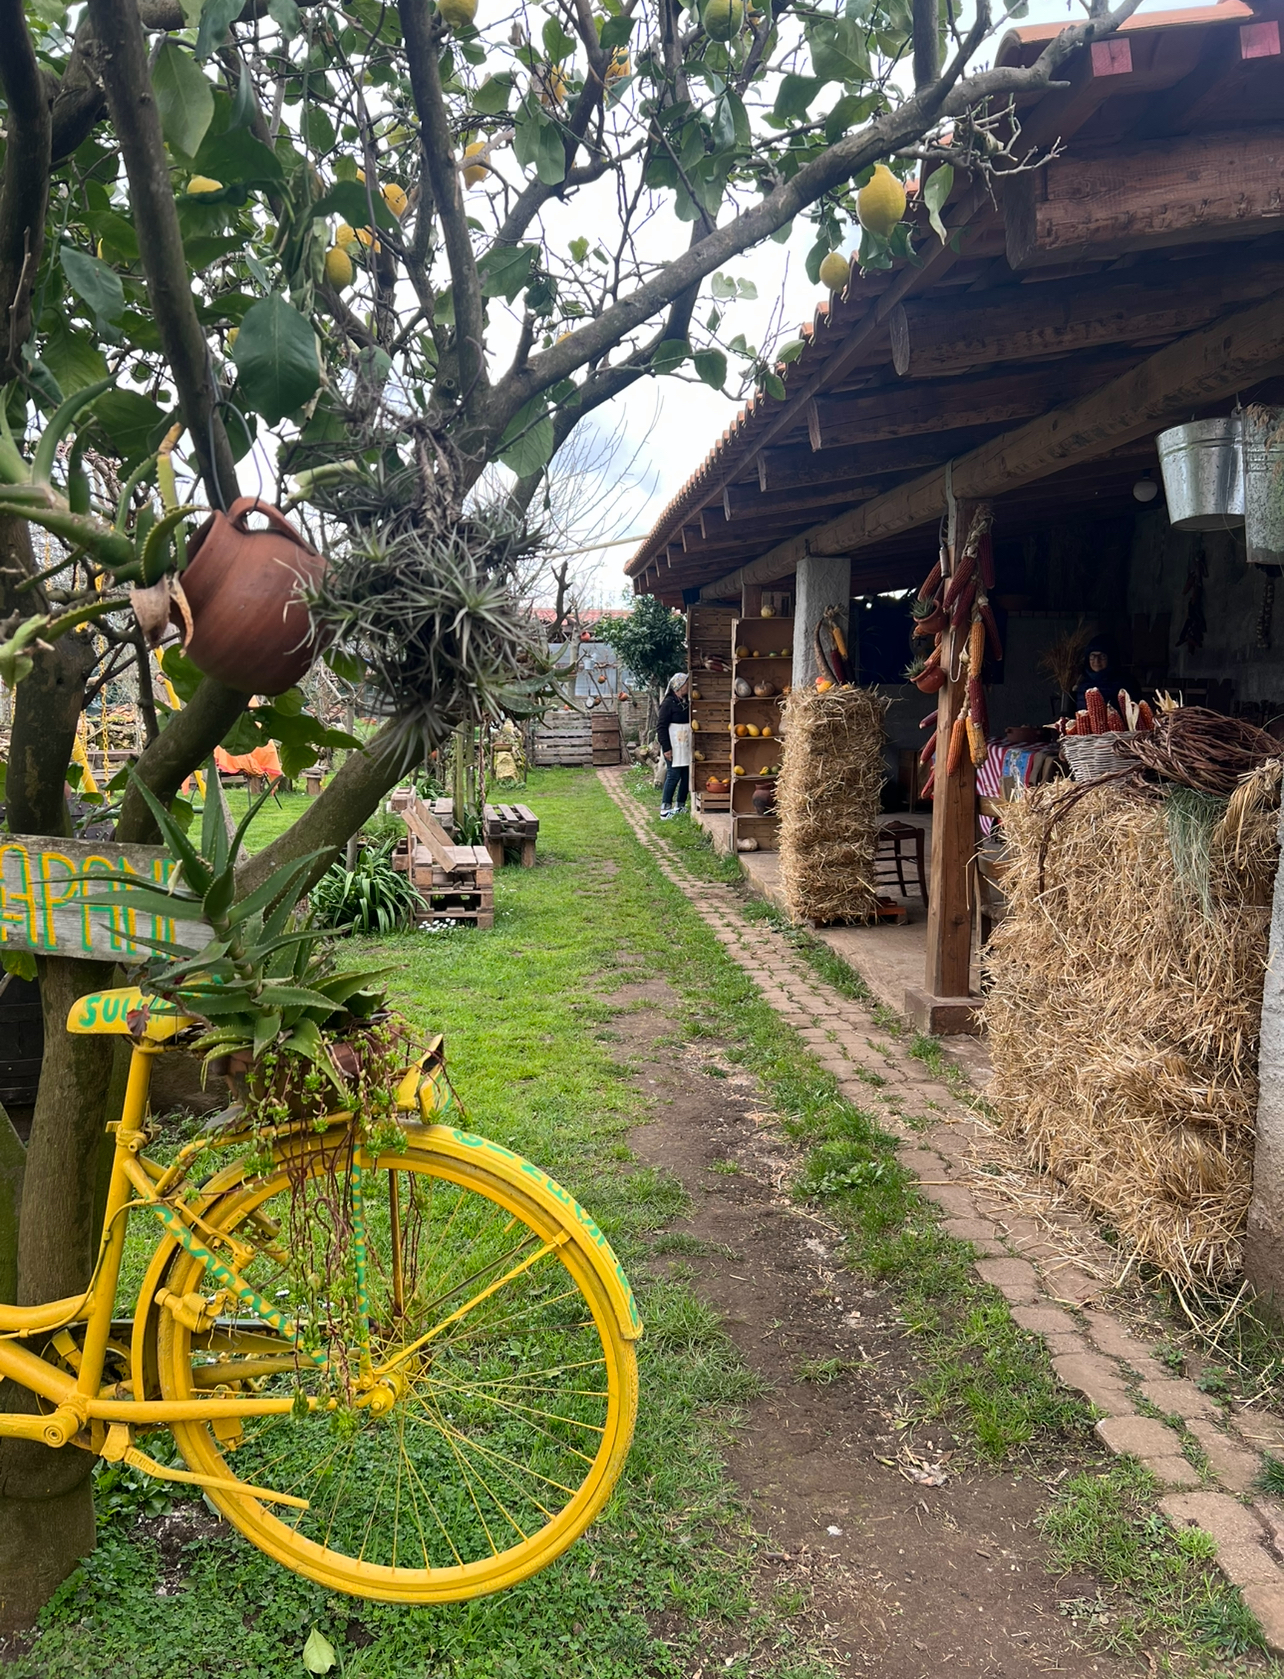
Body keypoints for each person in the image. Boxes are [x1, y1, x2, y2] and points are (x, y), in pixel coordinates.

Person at [657, 672, 691, 819]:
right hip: (674, 745)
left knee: (686, 775)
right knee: (673, 775)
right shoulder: (668, 703)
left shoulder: (685, 701)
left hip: (686, 745)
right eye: (686, 684)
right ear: (679, 686)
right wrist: (666, 748)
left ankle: (680, 805)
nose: (688, 686)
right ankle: (665, 808)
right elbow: (661, 727)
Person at [1074, 643, 1115, 714]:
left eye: (1102, 656)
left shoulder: (1125, 683)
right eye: (1092, 656)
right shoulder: (1082, 684)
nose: (1096, 661)